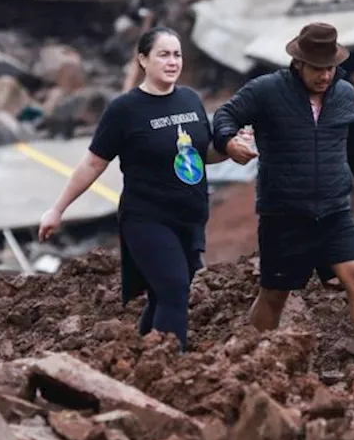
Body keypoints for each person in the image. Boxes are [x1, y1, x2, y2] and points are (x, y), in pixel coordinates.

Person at [211, 23, 354, 382]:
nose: (324, 75)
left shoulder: (344, 94)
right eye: (317, 68)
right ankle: (247, 363)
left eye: (330, 68)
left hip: (334, 212)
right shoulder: (266, 90)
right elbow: (224, 117)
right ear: (298, 64)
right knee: (275, 294)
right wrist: (230, 143)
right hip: (284, 213)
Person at [39, 27, 226, 352]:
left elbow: (201, 153)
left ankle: (141, 363)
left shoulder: (190, 100)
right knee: (174, 290)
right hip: (148, 218)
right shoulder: (125, 110)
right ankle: (171, 367)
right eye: (163, 54)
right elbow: (93, 164)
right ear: (143, 59)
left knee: (161, 295)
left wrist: (232, 149)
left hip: (190, 217)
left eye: (177, 54)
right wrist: (58, 209)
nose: (172, 62)